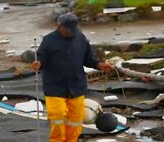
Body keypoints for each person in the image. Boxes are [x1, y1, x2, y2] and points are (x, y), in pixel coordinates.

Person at [32, 13, 113, 142]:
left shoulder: (80, 38)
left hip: (76, 85)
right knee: (58, 115)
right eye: (68, 30)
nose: (71, 33)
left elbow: (88, 59)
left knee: (75, 119)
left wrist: (99, 65)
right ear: (60, 26)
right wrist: (39, 64)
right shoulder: (48, 40)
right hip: (54, 86)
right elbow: (42, 58)